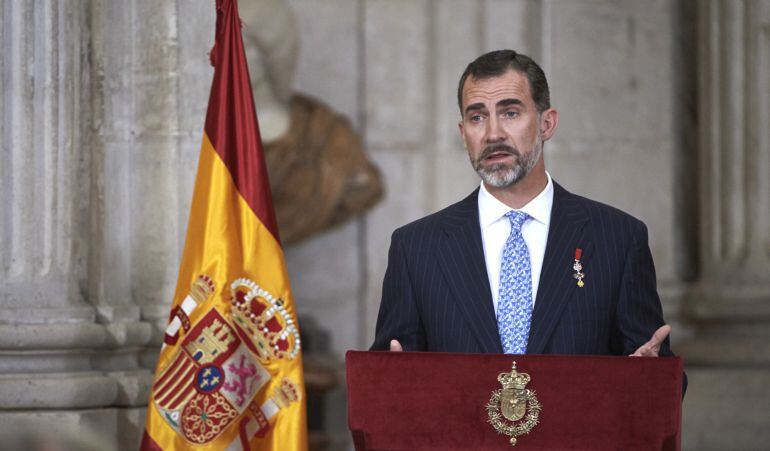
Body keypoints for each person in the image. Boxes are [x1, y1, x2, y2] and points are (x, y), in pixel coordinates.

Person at [371, 50, 677, 363]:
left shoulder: (618, 239)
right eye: (477, 117)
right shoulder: (416, 248)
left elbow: (659, 375)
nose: (493, 134)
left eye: (510, 113)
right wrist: (391, 383)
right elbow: (384, 385)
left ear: (547, 124)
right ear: (464, 135)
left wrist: (648, 379)